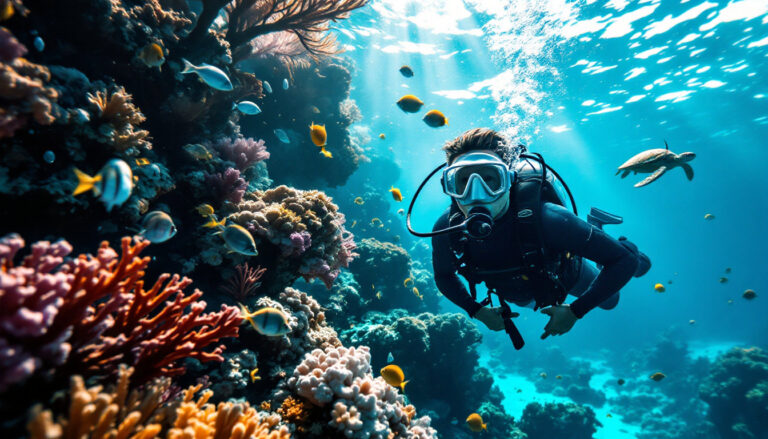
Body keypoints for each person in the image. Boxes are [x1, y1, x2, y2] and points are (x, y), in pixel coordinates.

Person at [419, 128, 651, 348]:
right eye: (462, 182)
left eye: (490, 179)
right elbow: (444, 275)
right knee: (525, 301)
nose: (477, 194)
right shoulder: (447, 228)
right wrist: (477, 311)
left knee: (611, 301)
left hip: (566, 275)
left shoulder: (551, 220)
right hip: (519, 290)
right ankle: (596, 237)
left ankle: (606, 234)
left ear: (509, 179)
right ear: (448, 186)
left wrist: (575, 311)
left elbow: (623, 261)